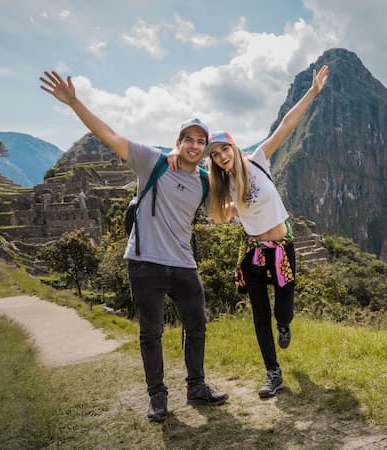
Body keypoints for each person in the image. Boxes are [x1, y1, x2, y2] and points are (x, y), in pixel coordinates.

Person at [39, 70, 228, 422]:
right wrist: (74, 101)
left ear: (205, 149)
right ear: (179, 141)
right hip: (144, 262)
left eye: (200, 141)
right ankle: (158, 397)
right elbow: (109, 134)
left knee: (197, 324)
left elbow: (227, 203)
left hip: (185, 263)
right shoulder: (152, 161)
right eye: (188, 138)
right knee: (150, 331)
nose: (194, 145)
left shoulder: (204, 180)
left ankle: (197, 386)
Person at [168, 65, 329, 398]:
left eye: (224, 149)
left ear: (234, 147)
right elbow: (224, 214)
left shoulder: (259, 160)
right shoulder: (222, 187)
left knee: (283, 309)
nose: (222, 156)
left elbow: (287, 125)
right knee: (259, 315)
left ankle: (285, 324)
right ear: (213, 161)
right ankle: (273, 373)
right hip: (254, 254)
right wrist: (174, 153)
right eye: (215, 155)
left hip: (282, 249)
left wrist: (312, 92)